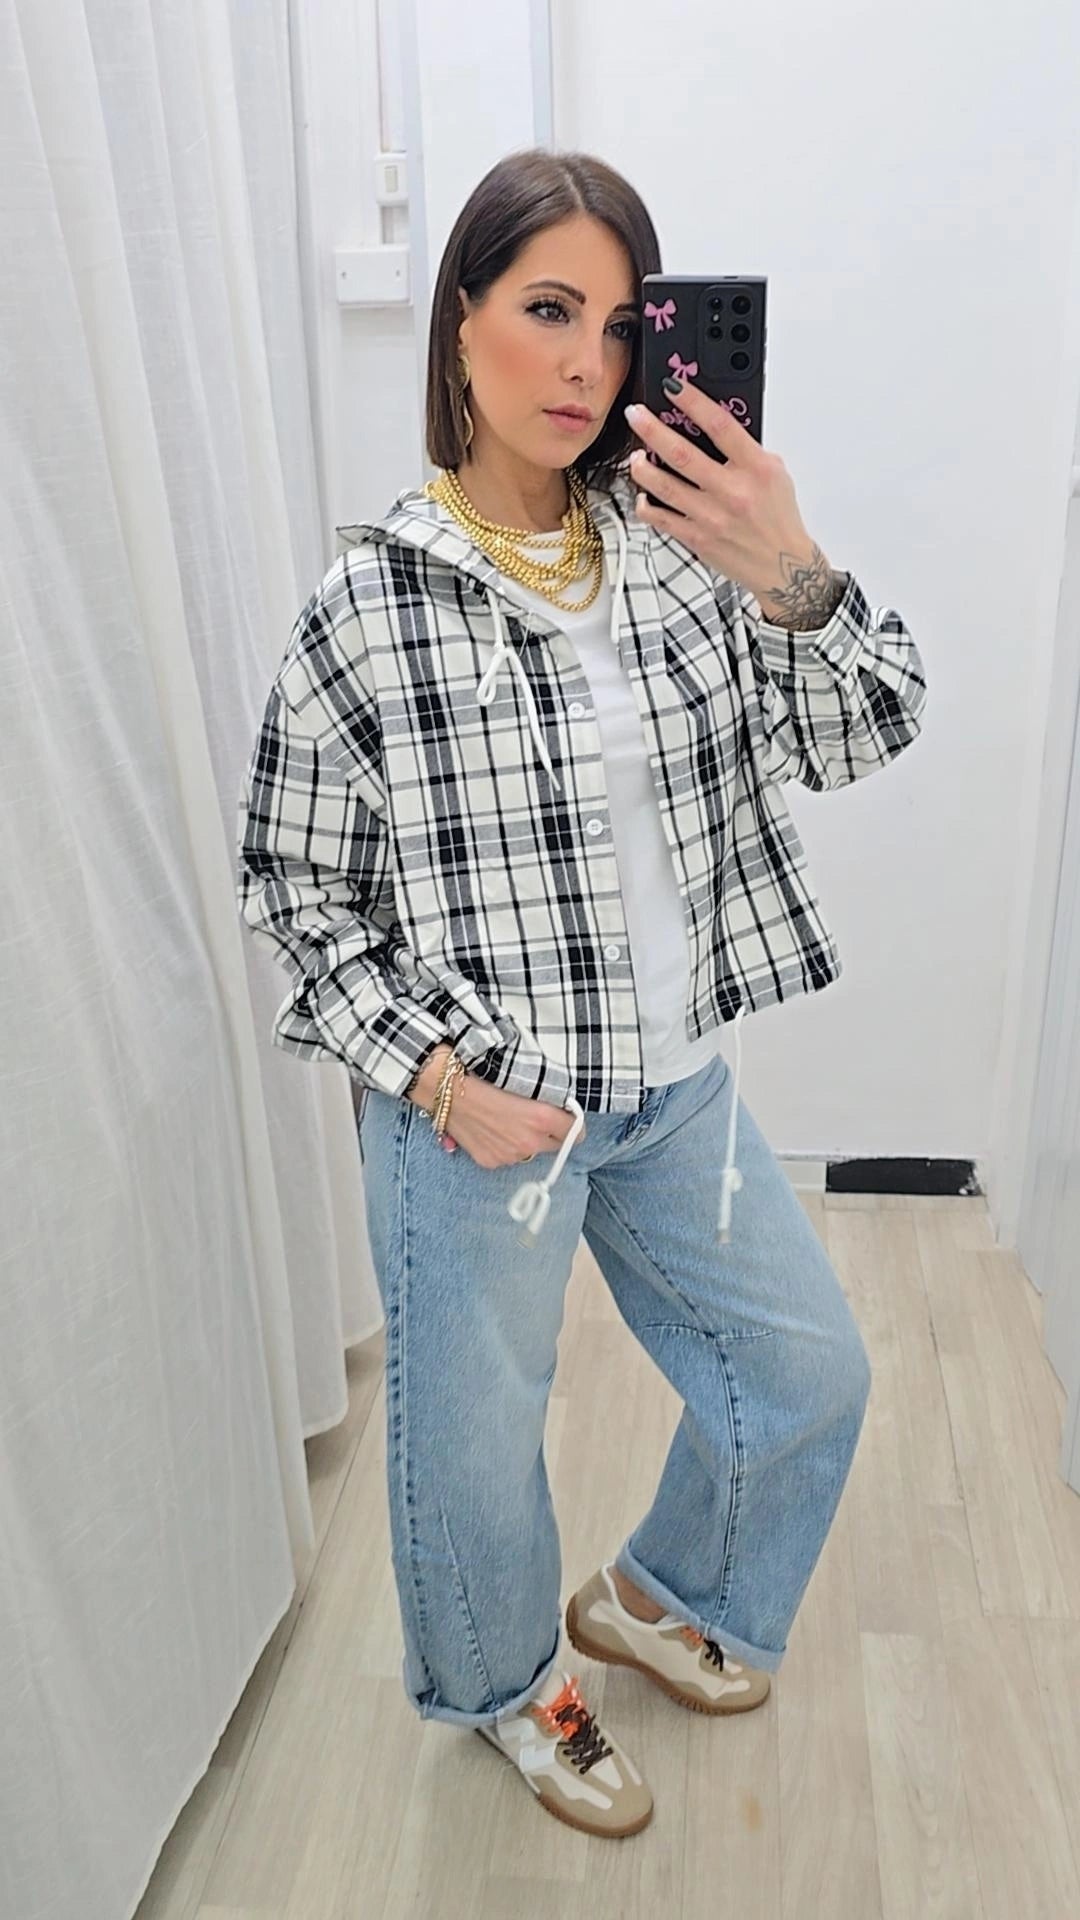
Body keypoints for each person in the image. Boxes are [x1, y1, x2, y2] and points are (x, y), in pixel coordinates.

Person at [236, 148, 926, 1841]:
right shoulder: (371, 603)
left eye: (620, 327)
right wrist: (437, 1081)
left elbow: (866, 729)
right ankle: (505, 1690)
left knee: (808, 1375)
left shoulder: (685, 550)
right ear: (460, 320)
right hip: (486, 1118)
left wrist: (786, 557)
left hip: (676, 1085)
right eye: (547, 310)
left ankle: (663, 1594)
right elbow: (294, 891)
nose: (585, 365)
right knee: (476, 1449)